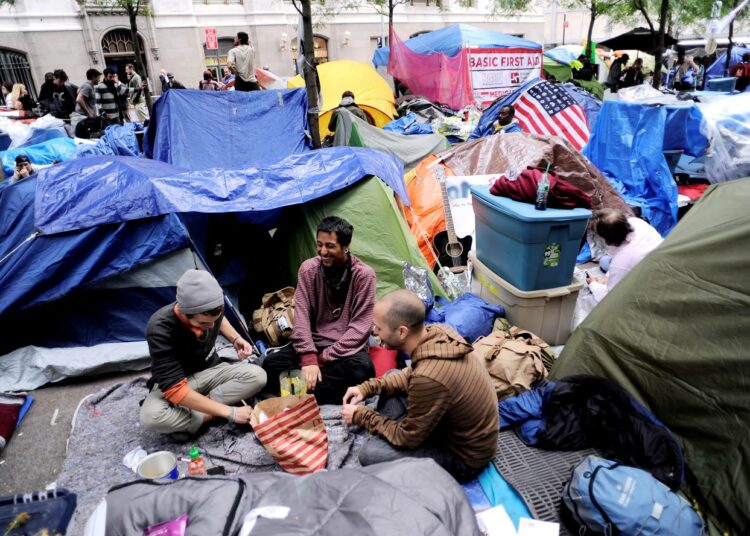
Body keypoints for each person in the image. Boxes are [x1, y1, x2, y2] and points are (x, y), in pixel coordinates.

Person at [341, 289, 499, 482]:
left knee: (371, 453)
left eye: (378, 328)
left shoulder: (429, 378)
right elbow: (409, 375)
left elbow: (407, 437)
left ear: (401, 332)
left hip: (464, 457)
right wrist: (366, 388)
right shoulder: (436, 332)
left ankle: (383, 430)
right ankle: (384, 427)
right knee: (392, 376)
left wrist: (362, 415)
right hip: (448, 423)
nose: (374, 333)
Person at [261, 216, 376, 405]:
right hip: (313, 343)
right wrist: (308, 357)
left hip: (345, 350)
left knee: (363, 371)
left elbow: (360, 329)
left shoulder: (364, 276)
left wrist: (319, 361)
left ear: (345, 246)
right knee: (270, 365)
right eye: (319, 245)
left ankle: (298, 390)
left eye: (330, 246)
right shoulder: (308, 270)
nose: (323, 251)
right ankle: (314, 390)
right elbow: (302, 318)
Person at [140, 269, 267, 435]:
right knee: (151, 417)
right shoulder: (159, 328)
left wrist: (236, 339)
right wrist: (231, 413)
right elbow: (175, 390)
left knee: (258, 376)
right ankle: (211, 412)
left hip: (211, 371)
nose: (211, 327)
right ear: (185, 313)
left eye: (214, 320)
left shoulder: (211, 308)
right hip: (180, 382)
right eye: (203, 323)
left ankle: (195, 416)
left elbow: (218, 319)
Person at [586, 209, 663, 302]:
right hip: (657, 260)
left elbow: (609, 298)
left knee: (606, 264)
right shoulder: (637, 222)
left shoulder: (622, 260)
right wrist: (608, 276)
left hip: (648, 280)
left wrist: (593, 284)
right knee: (605, 261)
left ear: (607, 238)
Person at [71, 68, 101, 134]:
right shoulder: (87, 86)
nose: (99, 80)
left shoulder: (87, 85)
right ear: (93, 77)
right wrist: (88, 113)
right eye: (98, 78)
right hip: (83, 116)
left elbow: (78, 91)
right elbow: (79, 99)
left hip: (86, 116)